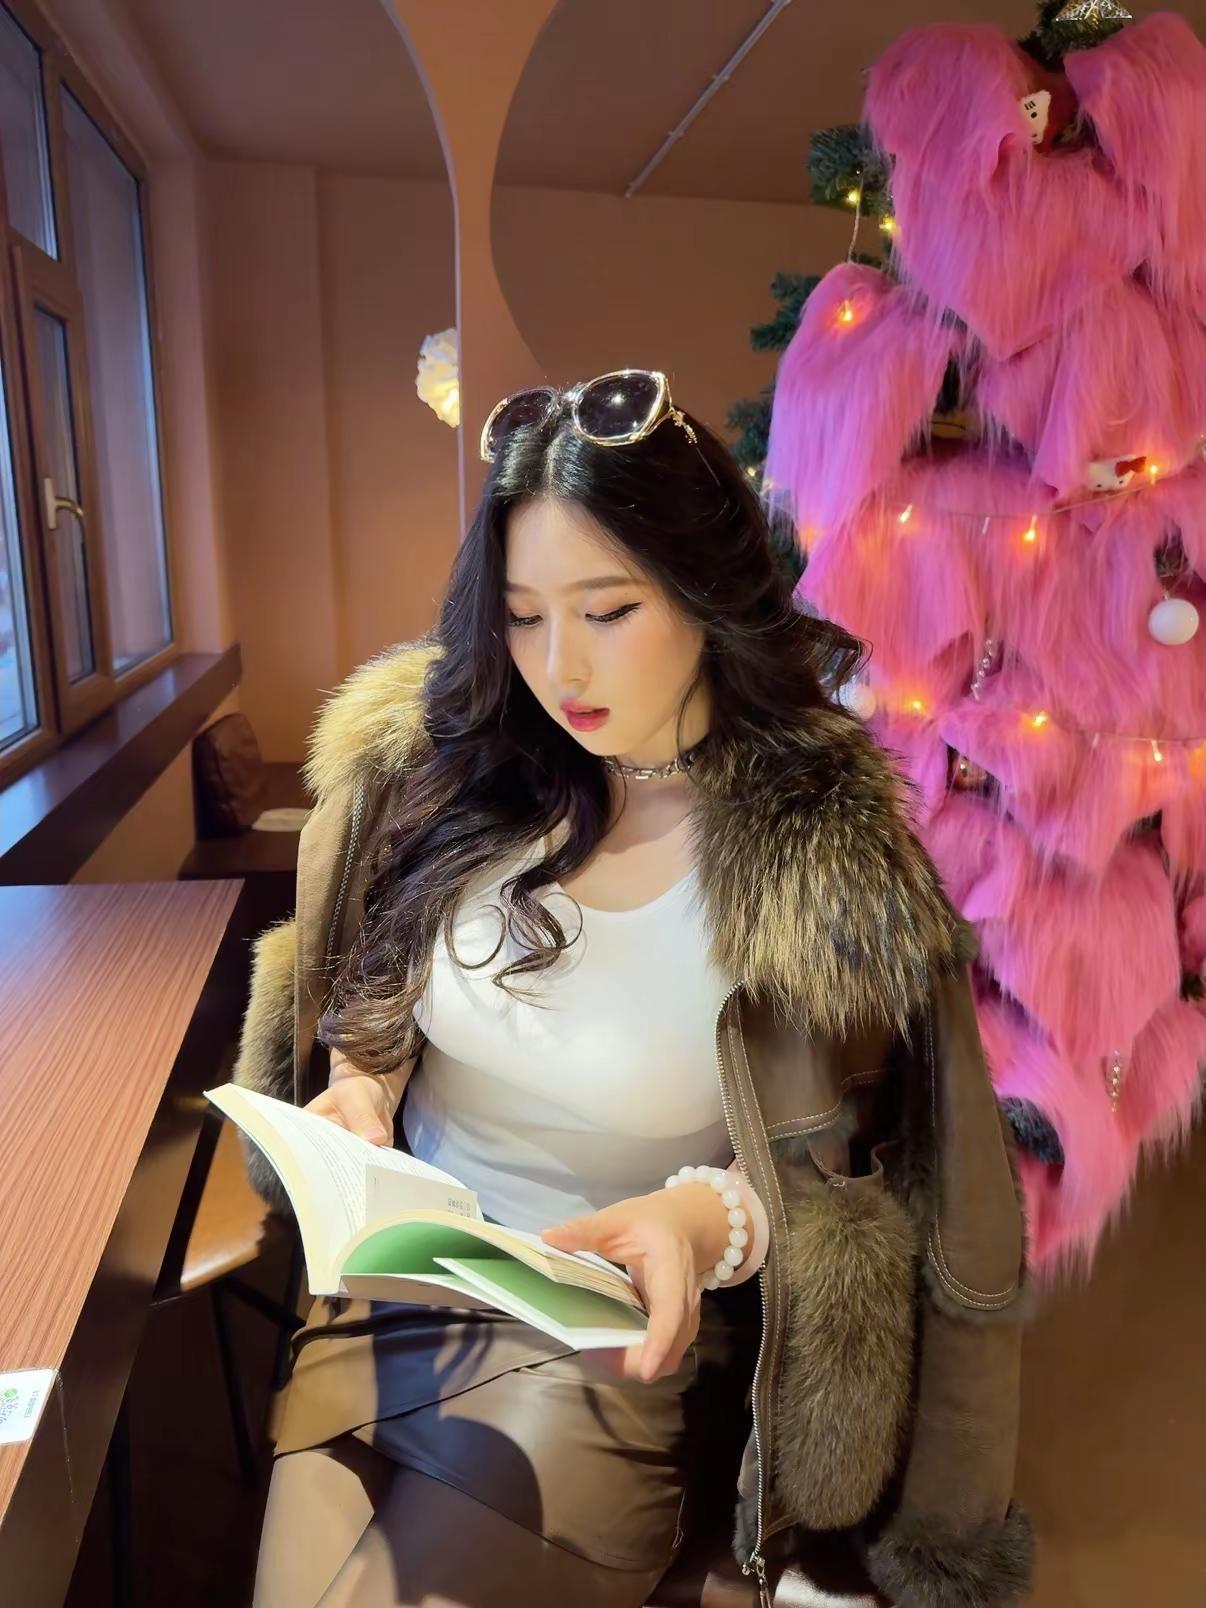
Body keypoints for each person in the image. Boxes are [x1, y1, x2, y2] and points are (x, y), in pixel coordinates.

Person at [233, 369, 1032, 1608]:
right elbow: (380, 979)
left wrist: (701, 1224)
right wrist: (361, 1087)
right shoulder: (458, 772)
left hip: (601, 1340)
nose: (560, 665)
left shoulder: (814, 862)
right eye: (522, 617)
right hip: (394, 1297)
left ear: (709, 595)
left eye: (607, 610)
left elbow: (857, 1184)